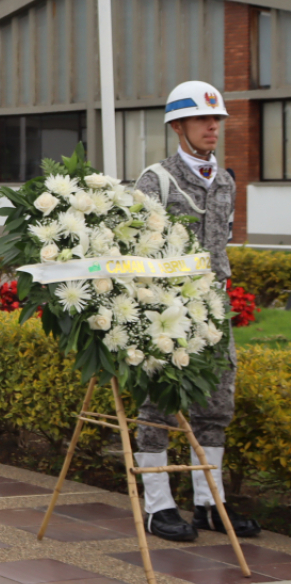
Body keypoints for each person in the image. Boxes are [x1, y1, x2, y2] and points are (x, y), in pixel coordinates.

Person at [133, 81, 261, 541]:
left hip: (214, 310)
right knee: (158, 406)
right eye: (203, 119)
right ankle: (158, 506)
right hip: (166, 310)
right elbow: (135, 249)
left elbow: (222, 243)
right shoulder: (156, 180)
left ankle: (210, 504)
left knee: (217, 403)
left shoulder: (225, 179)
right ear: (178, 125)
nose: (213, 126)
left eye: (217, 119)